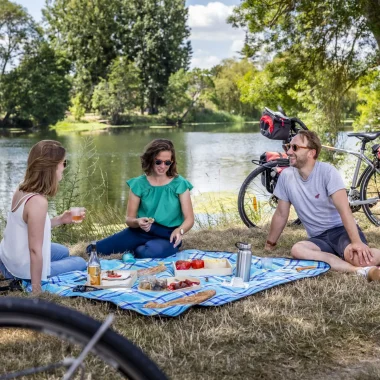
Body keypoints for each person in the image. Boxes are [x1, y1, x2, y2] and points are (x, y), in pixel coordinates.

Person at [264, 130, 380, 281]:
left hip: (341, 232)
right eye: (288, 147)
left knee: (360, 258)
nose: (289, 151)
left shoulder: (327, 172)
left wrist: (356, 242)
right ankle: (361, 271)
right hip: (318, 238)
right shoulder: (286, 177)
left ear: (311, 153)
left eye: (295, 147)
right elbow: (281, 214)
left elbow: (345, 211)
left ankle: (363, 264)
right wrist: (270, 244)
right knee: (297, 249)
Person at [0, 140, 87, 293]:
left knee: (63, 251)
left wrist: (61, 219)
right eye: (63, 163)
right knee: (79, 262)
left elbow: (31, 225)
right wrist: (36, 289)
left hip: (8, 257)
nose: (64, 167)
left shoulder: (22, 188)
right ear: (52, 167)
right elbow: (35, 251)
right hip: (19, 269)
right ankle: (25, 279)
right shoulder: (38, 202)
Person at [91, 138, 194, 258]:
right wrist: (137, 222)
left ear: (172, 162)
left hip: (167, 234)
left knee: (150, 252)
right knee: (94, 250)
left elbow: (189, 219)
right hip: (140, 231)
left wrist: (180, 230)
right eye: (158, 162)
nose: (163, 166)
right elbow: (129, 219)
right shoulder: (138, 184)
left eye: (167, 163)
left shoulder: (180, 183)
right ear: (150, 160)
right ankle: (135, 245)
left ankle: (138, 249)